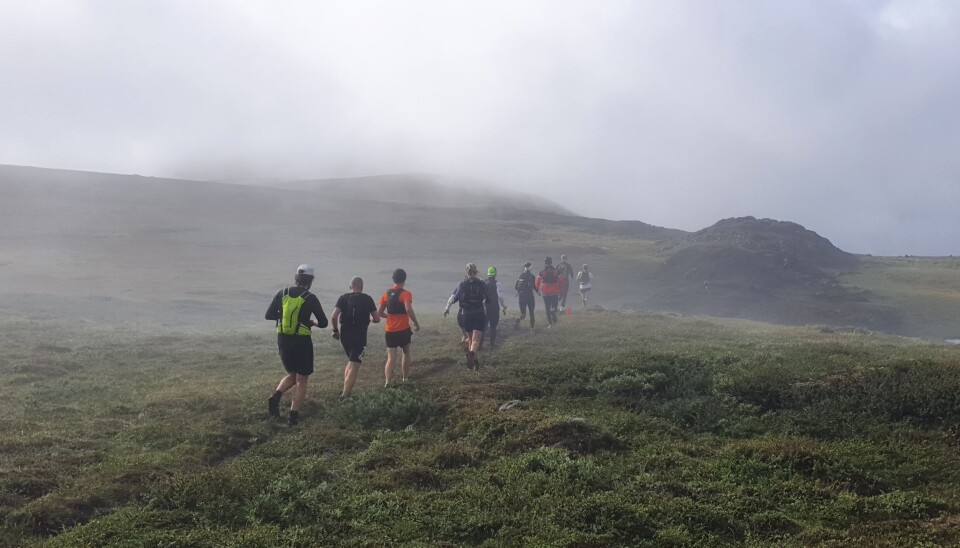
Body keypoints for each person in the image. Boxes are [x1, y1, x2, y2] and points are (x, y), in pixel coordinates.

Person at [265, 264, 328, 426]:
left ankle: (276, 396)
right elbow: (324, 322)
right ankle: (293, 417)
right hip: (301, 341)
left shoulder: (282, 293)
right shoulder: (310, 297)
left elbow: (269, 315)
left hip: (283, 339)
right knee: (302, 379)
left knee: (292, 374)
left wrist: (283, 316)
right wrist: (311, 322)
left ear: (296, 278)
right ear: (310, 281)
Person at [330, 276, 380, 400]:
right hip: (360, 336)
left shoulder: (343, 298)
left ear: (350, 287)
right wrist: (372, 319)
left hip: (345, 335)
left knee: (351, 362)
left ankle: (346, 391)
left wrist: (335, 330)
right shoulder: (367, 299)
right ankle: (345, 396)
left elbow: (334, 317)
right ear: (362, 287)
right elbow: (377, 319)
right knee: (355, 365)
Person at [378, 268, 420, 387]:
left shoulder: (386, 293)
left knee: (391, 358)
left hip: (390, 331)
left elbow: (379, 313)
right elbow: (408, 309)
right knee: (406, 352)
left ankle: (387, 382)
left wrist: (390, 316)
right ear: (404, 280)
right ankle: (405, 378)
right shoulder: (406, 294)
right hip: (403, 330)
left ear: (393, 279)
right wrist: (416, 323)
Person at [444, 263, 488, 369]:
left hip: (466, 314)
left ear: (466, 272)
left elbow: (453, 298)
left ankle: (474, 363)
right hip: (478, 313)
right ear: (476, 272)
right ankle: (472, 354)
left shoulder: (462, 284)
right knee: (476, 341)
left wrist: (447, 308)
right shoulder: (481, 283)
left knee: (470, 339)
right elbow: (488, 298)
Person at [480, 266, 507, 349]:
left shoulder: (483, 282)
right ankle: (492, 345)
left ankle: (480, 344)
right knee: (493, 327)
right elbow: (500, 297)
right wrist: (504, 306)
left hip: (485, 308)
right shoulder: (497, 283)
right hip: (494, 308)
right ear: (495, 274)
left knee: (484, 327)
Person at [536, 257, 562, 328]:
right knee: (555, 305)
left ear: (545, 263)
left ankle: (550, 324)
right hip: (554, 290)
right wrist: (560, 287)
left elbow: (538, 280)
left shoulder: (542, 271)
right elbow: (561, 279)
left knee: (547, 307)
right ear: (551, 262)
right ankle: (553, 310)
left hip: (545, 291)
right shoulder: (556, 270)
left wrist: (538, 289)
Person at [514, 262, 539, 330]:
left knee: (523, 315)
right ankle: (532, 329)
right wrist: (538, 292)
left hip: (521, 297)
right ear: (530, 268)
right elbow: (533, 286)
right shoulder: (532, 276)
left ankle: (518, 320)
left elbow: (516, 287)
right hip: (529, 297)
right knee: (531, 313)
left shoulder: (521, 276)